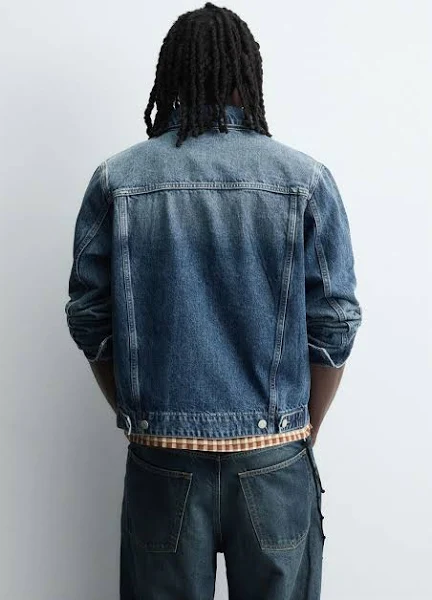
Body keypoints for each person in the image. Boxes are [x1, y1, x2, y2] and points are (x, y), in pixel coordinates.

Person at [64, 3, 363, 599]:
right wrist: (301, 430)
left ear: (172, 76)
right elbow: (335, 325)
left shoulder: (119, 180)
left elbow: (89, 317)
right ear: (247, 75)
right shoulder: (303, 179)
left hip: (163, 458)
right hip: (274, 455)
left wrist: (142, 413)